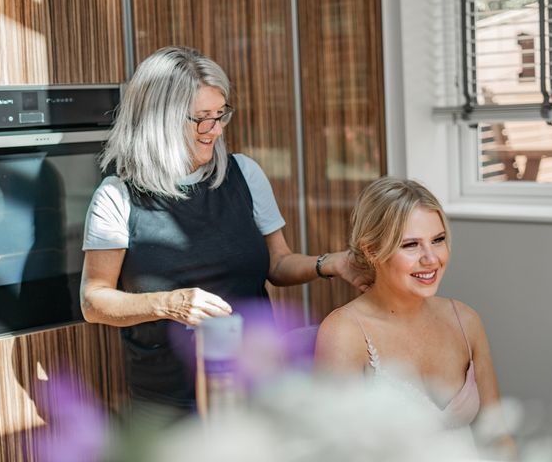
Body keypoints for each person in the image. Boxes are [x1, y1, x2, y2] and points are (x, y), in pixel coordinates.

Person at [79, 46, 369, 418]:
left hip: (258, 386)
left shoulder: (243, 175)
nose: (214, 130)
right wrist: (169, 303)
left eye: (220, 115)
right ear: (159, 120)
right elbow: (93, 301)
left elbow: (277, 264)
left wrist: (332, 263)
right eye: (202, 118)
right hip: (169, 401)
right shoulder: (116, 197)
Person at [314, 177, 515, 457]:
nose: (431, 258)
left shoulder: (465, 321)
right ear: (372, 250)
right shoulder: (344, 333)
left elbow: (498, 437)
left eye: (438, 240)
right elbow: (334, 453)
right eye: (411, 245)